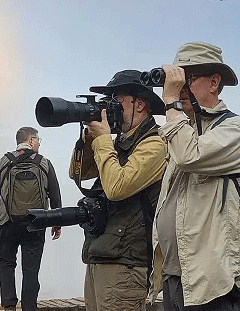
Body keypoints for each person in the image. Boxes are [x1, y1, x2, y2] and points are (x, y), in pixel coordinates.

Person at [149, 41, 240, 310]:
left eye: (190, 79)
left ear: (214, 82)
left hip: (214, 283)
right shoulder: (184, 130)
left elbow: (190, 155)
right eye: (178, 80)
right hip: (177, 278)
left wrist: (170, 103)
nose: (182, 89)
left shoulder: (236, 129)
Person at [69, 69, 167, 311]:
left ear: (140, 104)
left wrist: (102, 140)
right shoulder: (119, 144)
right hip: (101, 256)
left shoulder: (155, 145)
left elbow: (116, 187)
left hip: (126, 265)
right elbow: (79, 174)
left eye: (117, 100)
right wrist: (89, 138)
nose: (109, 107)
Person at [0, 127, 62, 311]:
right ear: (30, 141)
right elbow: (55, 195)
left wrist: (1, 214)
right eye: (38, 140)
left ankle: (9, 306)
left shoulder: (4, 161)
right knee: (31, 269)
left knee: (6, 264)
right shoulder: (44, 163)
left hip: (7, 224)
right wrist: (56, 222)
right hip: (35, 224)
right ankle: (29, 307)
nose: (39, 144)